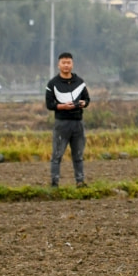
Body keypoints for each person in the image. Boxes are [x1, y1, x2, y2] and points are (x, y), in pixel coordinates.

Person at [45, 51, 91, 187]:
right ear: (59, 65)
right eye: (63, 63)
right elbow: (49, 104)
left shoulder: (80, 82)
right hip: (62, 123)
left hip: (78, 123)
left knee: (78, 155)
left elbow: (87, 99)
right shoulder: (52, 83)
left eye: (68, 62)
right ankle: (54, 183)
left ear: (72, 64)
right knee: (57, 155)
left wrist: (84, 103)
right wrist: (62, 106)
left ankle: (80, 181)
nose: (66, 65)